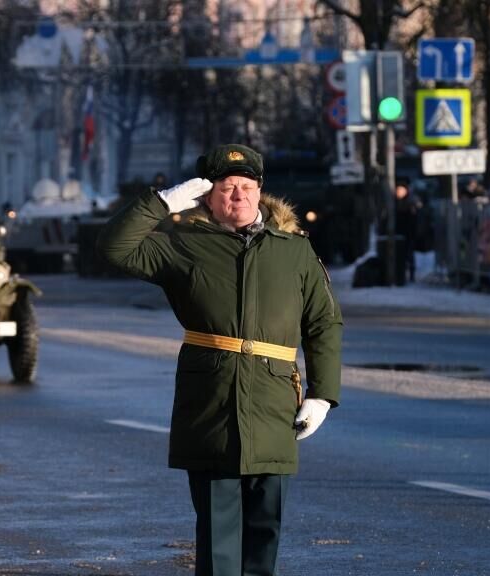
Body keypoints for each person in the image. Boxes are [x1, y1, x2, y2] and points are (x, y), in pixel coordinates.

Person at [97, 144, 342, 576]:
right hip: (212, 404)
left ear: (260, 191)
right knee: (218, 533)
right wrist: (162, 202)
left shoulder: (293, 250)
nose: (239, 196)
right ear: (207, 196)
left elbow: (323, 323)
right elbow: (114, 248)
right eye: (227, 187)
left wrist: (323, 395)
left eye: (247, 187)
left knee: (265, 529)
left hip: (273, 403)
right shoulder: (182, 246)